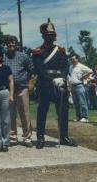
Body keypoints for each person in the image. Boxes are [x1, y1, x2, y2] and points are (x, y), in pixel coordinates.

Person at [32, 18, 77, 149]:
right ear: (43, 36)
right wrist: (51, 79)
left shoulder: (61, 50)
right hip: (45, 85)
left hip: (60, 85)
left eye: (52, 35)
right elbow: (39, 69)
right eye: (47, 35)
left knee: (63, 112)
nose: (50, 37)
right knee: (42, 111)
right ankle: (40, 138)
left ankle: (64, 137)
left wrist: (62, 78)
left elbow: (65, 66)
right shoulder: (37, 52)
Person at [3, 36, 34, 147]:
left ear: (17, 44)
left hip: (22, 89)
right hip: (8, 90)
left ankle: (27, 138)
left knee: (25, 114)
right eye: (9, 44)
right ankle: (12, 137)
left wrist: (31, 83)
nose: (11, 45)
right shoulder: (3, 57)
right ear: (6, 45)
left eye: (13, 43)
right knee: (10, 114)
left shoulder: (24, 56)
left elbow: (31, 70)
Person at [68, 55, 93, 123]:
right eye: (71, 59)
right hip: (73, 86)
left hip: (79, 86)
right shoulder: (70, 67)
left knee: (82, 102)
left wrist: (83, 77)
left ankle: (85, 117)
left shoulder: (81, 66)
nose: (72, 60)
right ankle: (78, 117)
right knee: (76, 103)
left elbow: (90, 71)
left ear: (77, 59)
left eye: (73, 59)